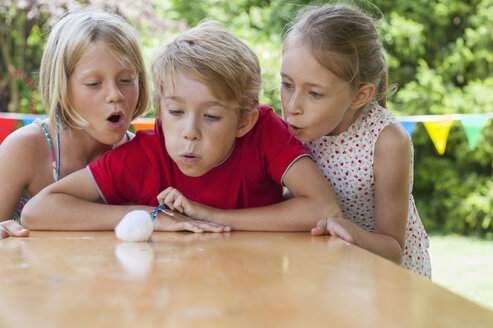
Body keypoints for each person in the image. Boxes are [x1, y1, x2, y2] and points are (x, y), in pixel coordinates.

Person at [21, 21, 342, 233]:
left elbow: (324, 209)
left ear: (244, 120)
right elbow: (38, 211)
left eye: (212, 116)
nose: (190, 132)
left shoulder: (264, 132)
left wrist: (209, 216)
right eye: (175, 111)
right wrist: (153, 216)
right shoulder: (144, 155)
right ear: (160, 111)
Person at [280, 4, 431, 277]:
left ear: (360, 96)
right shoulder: (290, 130)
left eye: (314, 93)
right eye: (287, 84)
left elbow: (393, 247)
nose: (292, 106)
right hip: (330, 270)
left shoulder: (387, 140)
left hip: (390, 281)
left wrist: (350, 231)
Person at [0, 8, 151, 238]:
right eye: (93, 83)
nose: (115, 94)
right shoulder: (24, 149)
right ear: (61, 86)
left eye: (126, 80)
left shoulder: (145, 155)